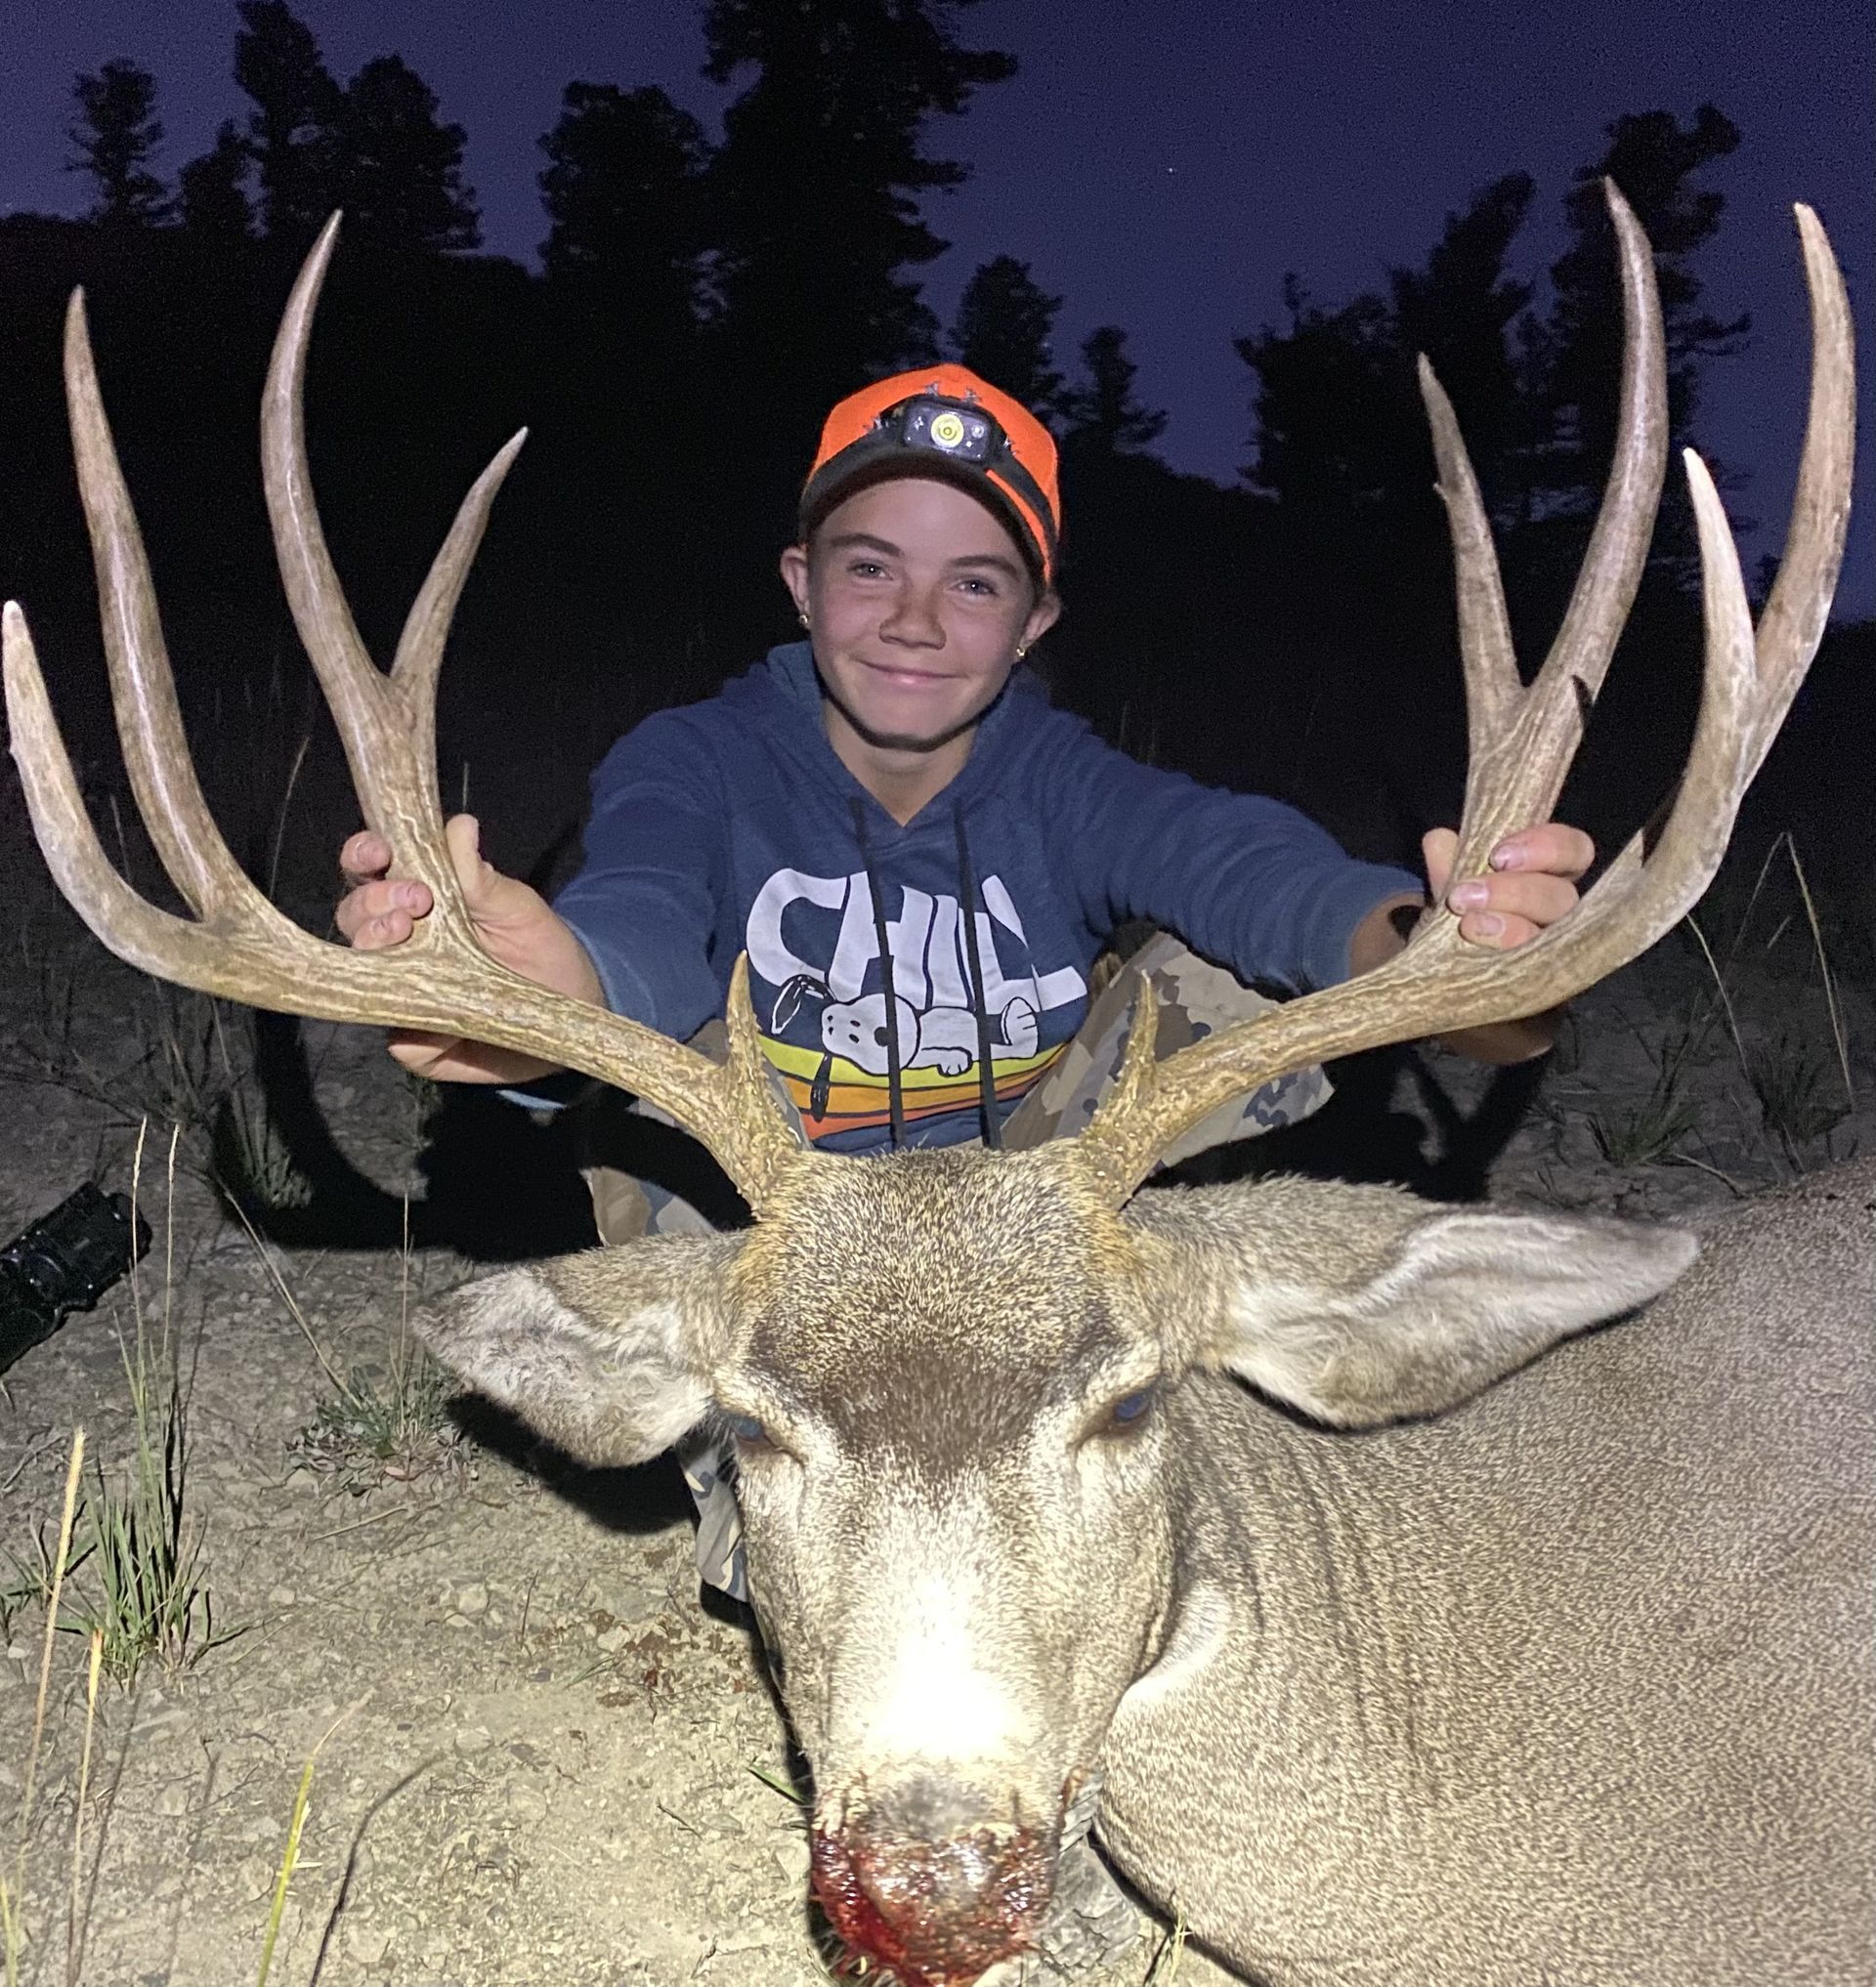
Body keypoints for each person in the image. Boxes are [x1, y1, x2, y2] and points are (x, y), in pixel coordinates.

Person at [337, 364, 1592, 1584]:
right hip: (793, 1246)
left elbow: (1249, 870)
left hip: (1029, 1244)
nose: (915, 622)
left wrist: (1441, 951)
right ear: (800, 581)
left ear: (1035, 620)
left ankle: (1127, 1387)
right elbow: (642, 915)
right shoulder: (700, 761)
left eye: (976, 583)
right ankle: (761, 1458)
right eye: (870, 565)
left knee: (1223, 989)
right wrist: (563, 992)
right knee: (661, 1062)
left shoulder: (1061, 778)